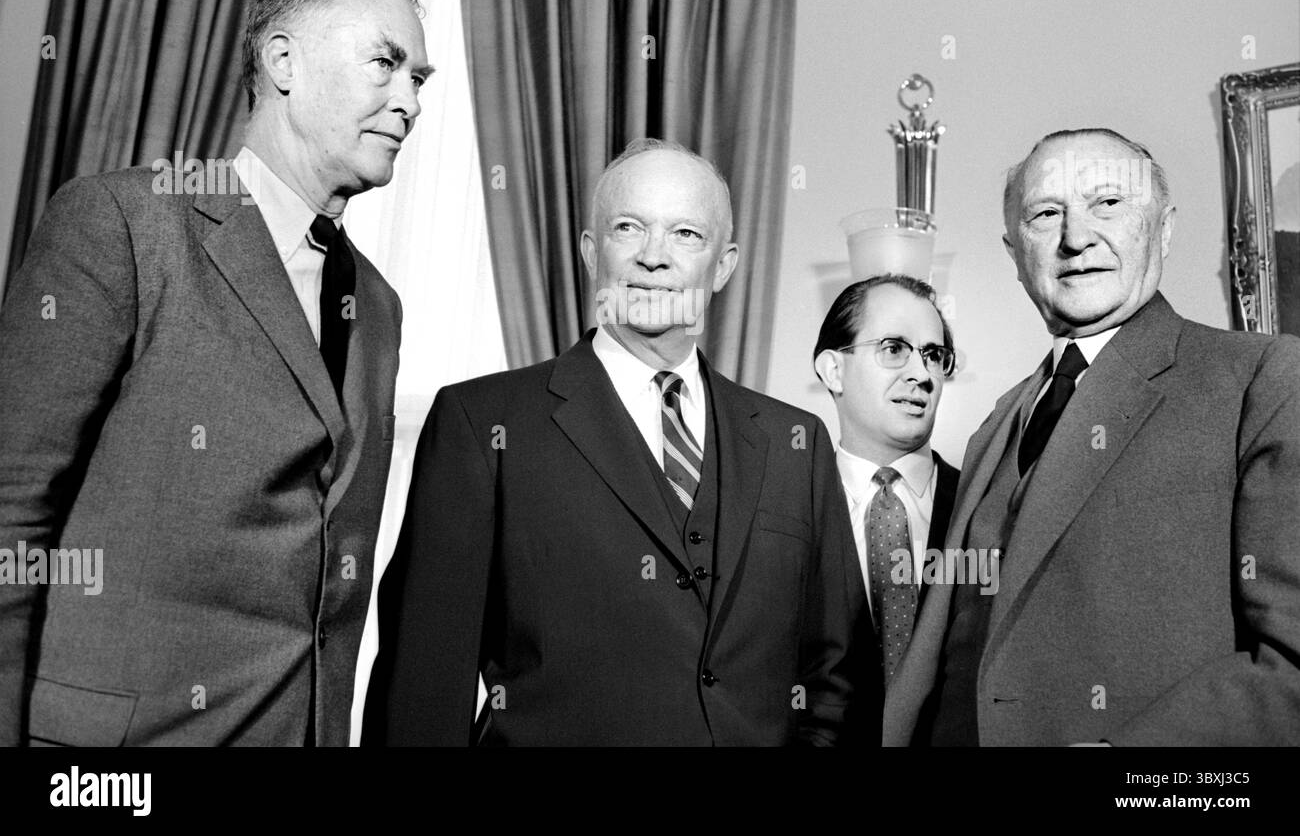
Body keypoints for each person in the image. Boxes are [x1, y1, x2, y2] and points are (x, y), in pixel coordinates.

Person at [0, 0, 431, 746]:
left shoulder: (380, 304)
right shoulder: (122, 224)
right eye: (386, 63)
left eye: (420, 81)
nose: (408, 102)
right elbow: (8, 510)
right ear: (282, 62)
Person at [366, 138, 869, 746]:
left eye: (687, 234)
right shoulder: (482, 424)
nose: (654, 257)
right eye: (629, 227)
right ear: (589, 250)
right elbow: (424, 685)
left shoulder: (798, 442)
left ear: (725, 265)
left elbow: (838, 680)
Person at [884, 127, 1300, 746]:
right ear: (1014, 253)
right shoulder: (996, 422)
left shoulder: (1260, 379)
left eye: (1108, 203)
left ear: (1162, 229)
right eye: (1047, 214)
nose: (1077, 238)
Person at [812, 275, 960, 689]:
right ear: (833, 370)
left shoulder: (984, 507)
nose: (921, 373)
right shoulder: (786, 509)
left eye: (933, 355)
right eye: (894, 349)